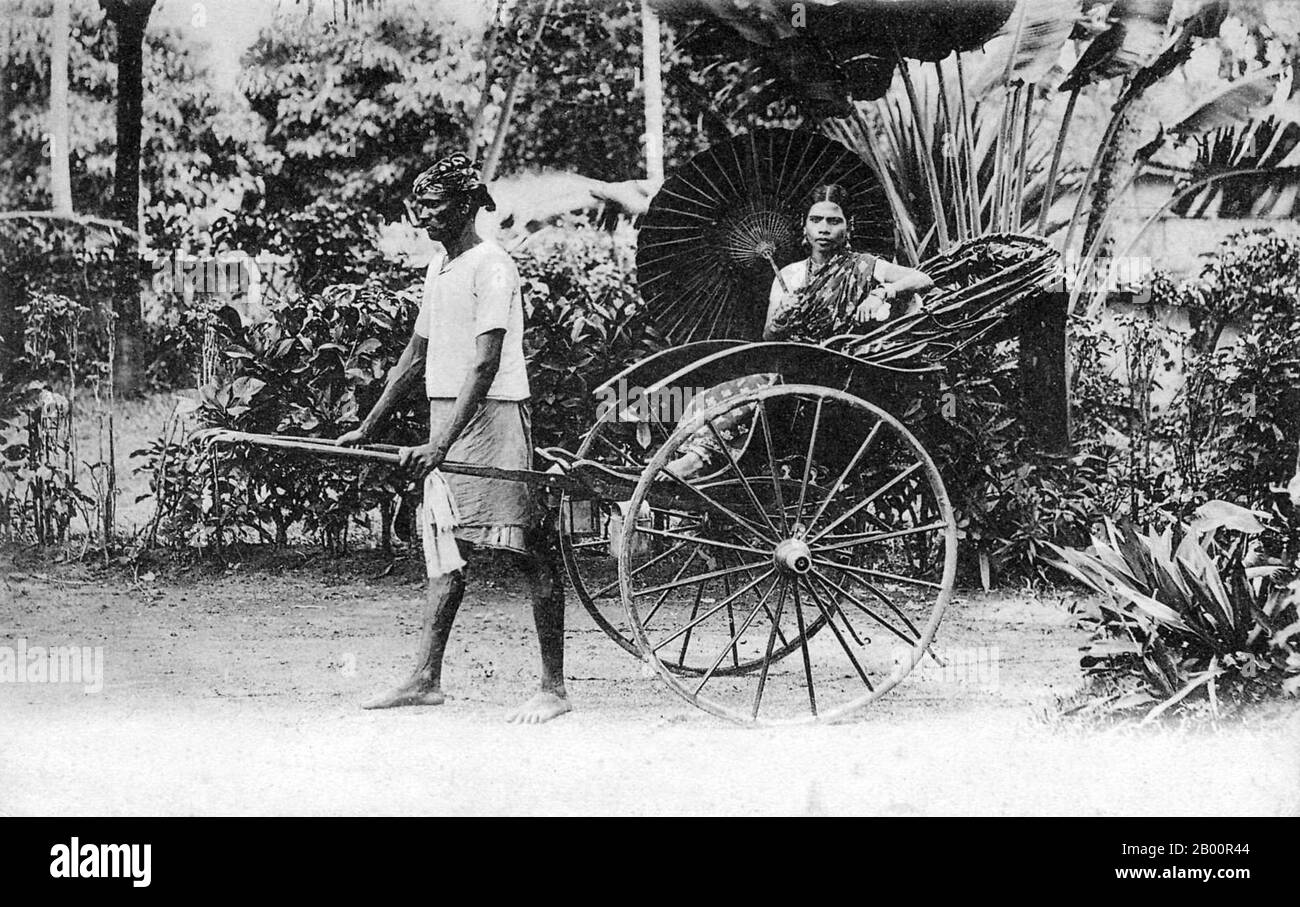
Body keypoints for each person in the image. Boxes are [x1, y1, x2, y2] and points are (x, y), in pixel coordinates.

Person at [337, 153, 569, 724]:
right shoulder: (440, 265)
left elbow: (486, 363)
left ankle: (554, 687)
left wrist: (439, 445)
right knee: (443, 545)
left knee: (527, 545)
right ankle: (424, 678)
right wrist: (369, 426)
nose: (424, 218)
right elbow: (414, 357)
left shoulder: (493, 266)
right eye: (419, 208)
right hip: (451, 413)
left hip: (493, 414)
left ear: (467, 206)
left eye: (435, 207)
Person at [664, 183, 935, 480]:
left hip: (836, 372)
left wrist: (882, 294)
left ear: (849, 226)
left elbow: (922, 278)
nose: (824, 229)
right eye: (816, 220)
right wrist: (781, 319)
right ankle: (693, 457)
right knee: (712, 396)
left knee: (752, 395)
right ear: (804, 227)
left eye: (834, 221)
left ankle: (697, 461)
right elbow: (768, 338)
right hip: (792, 367)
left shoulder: (865, 266)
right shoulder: (790, 275)